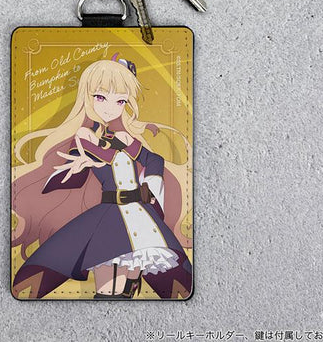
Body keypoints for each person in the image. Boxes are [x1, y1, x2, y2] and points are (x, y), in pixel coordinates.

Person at [12, 55, 192, 299]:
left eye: (120, 101)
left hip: (141, 214)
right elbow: (99, 155)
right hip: (110, 216)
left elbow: (154, 160)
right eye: (100, 97)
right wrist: (84, 162)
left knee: (130, 283)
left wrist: (150, 188)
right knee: (108, 286)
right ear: (87, 97)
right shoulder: (85, 135)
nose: (109, 107)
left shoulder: (126, 138)